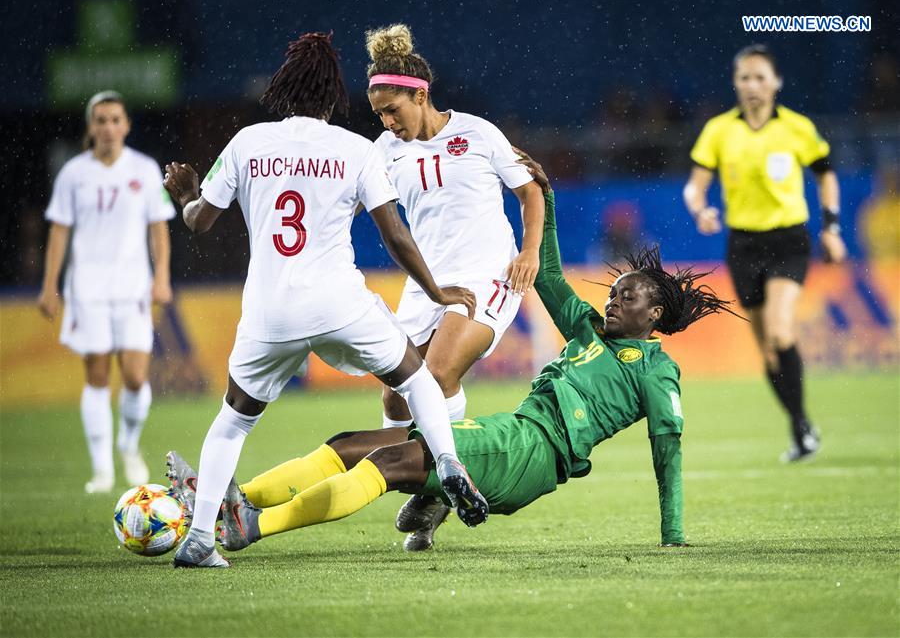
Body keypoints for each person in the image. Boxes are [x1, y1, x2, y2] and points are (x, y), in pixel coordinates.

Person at [167, 151, 740, 557]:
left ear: (656, 313)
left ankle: (253, 526)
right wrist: (547, 202)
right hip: (510, 432)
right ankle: (225, 502)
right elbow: (547, 275)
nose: (613, 302)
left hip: (531, 456)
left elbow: (668, 451)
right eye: (614, 293)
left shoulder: (660, 372)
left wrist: (673, 535)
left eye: (627, 297)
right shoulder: (590, 333)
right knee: (349, 445)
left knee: (387, 465)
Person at [161, 32, 488, 569]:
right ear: (335, 98)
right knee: (416, 379)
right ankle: (448, 464)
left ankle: (199, 539)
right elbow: (396, 236)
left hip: (268, 311)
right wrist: (437, 292)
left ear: (282, 91)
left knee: (234, 421)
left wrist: (187, 194)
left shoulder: (248, 141)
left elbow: (200, 220)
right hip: (338, 304)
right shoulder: (356, 149)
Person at [364, 24, 545, 549]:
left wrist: (529, 251)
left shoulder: (478, 134)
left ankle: (442, 486)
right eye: (379, 113)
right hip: (427, 284)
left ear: (420, 95)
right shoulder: (383, 151)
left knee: (437, 373)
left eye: (393, 109)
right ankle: (429, 481)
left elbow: (530, 192)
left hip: (488, 276)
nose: (387, 120)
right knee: (397, 396)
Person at [682, 44, 848, 463]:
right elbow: (694, 185)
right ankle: (801, 425)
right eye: (744, 78)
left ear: (776, 83)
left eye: (760, 77)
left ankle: (800, 426)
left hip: (788, 240)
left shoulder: (796, 128)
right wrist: (701, 209)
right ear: (735, 84)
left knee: (779, 329)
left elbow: (826, 176)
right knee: (768, 350)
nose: (753, 85)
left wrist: (831, 228)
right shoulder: (719, 130)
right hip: (743, 245)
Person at [38, 90, 174, 494]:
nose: (109, 127)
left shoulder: (145, 170)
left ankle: (128, 445)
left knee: (134, 376)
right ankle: (101, 469)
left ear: (126, 125)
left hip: (132, 286)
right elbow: (59, 232)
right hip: (87, 290)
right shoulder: (74, 174)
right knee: (97, 376)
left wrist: (162, 276)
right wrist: (50, 286)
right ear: (90, 126)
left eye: (115, 119)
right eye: (101, 120)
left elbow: (159, 229)